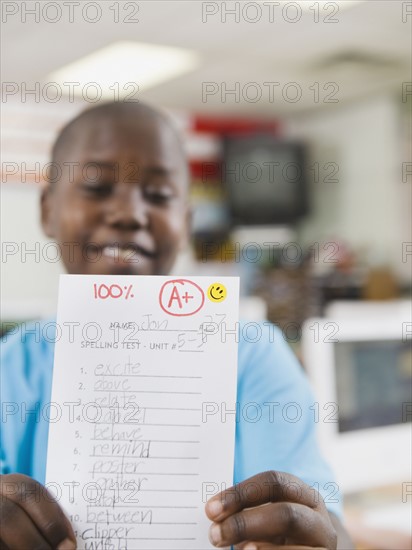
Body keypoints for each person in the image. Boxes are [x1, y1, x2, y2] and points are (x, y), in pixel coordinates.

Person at [0, 102, 353, 549]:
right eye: (95, 186)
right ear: (48, 211)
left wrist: (325, 538)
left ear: (185, 224)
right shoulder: (10, 367)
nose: (129, 213)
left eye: (160, 195)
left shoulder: (252, 355)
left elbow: (327, 525)